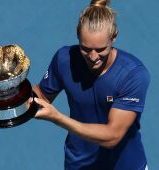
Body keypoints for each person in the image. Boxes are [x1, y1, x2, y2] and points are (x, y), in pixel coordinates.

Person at [32, 0, 150, 169]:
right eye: (86, 49)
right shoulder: (65, 59)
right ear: (78, 36)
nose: (93, 57)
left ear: (114, 37)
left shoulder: (133, 74)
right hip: (78, 166)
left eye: (101, 49)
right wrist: (5, 94)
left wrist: (58, 118)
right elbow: (41, 96)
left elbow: (112, 136)